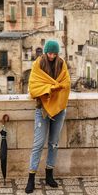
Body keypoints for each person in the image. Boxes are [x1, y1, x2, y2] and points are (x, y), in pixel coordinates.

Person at [25, 40, 71, 194]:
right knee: (38, 144)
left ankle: (49, 175)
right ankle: (31, 177)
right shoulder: (38, 64)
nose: (52, 56)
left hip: (59, 109)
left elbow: (66, 84)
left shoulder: (61, 64)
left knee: (53, 143)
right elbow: (34, 86)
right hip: (42, 109)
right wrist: (51, 87)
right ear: (45, 52)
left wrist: (53, 88)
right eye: (49, 53)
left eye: (54, 53)